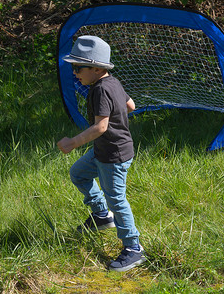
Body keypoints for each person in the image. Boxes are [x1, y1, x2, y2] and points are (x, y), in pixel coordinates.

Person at [57, 35, 146, 272]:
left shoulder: (99, 91)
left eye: (78, 68)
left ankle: (133, 248)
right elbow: (131, 105)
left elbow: (101, 127)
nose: (75, 73)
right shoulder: (112, 82)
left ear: (96, 68)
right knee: (78, 173)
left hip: (113, 156)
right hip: (106, 150)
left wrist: (72, 143)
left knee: (117, 200)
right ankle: (101, 215)